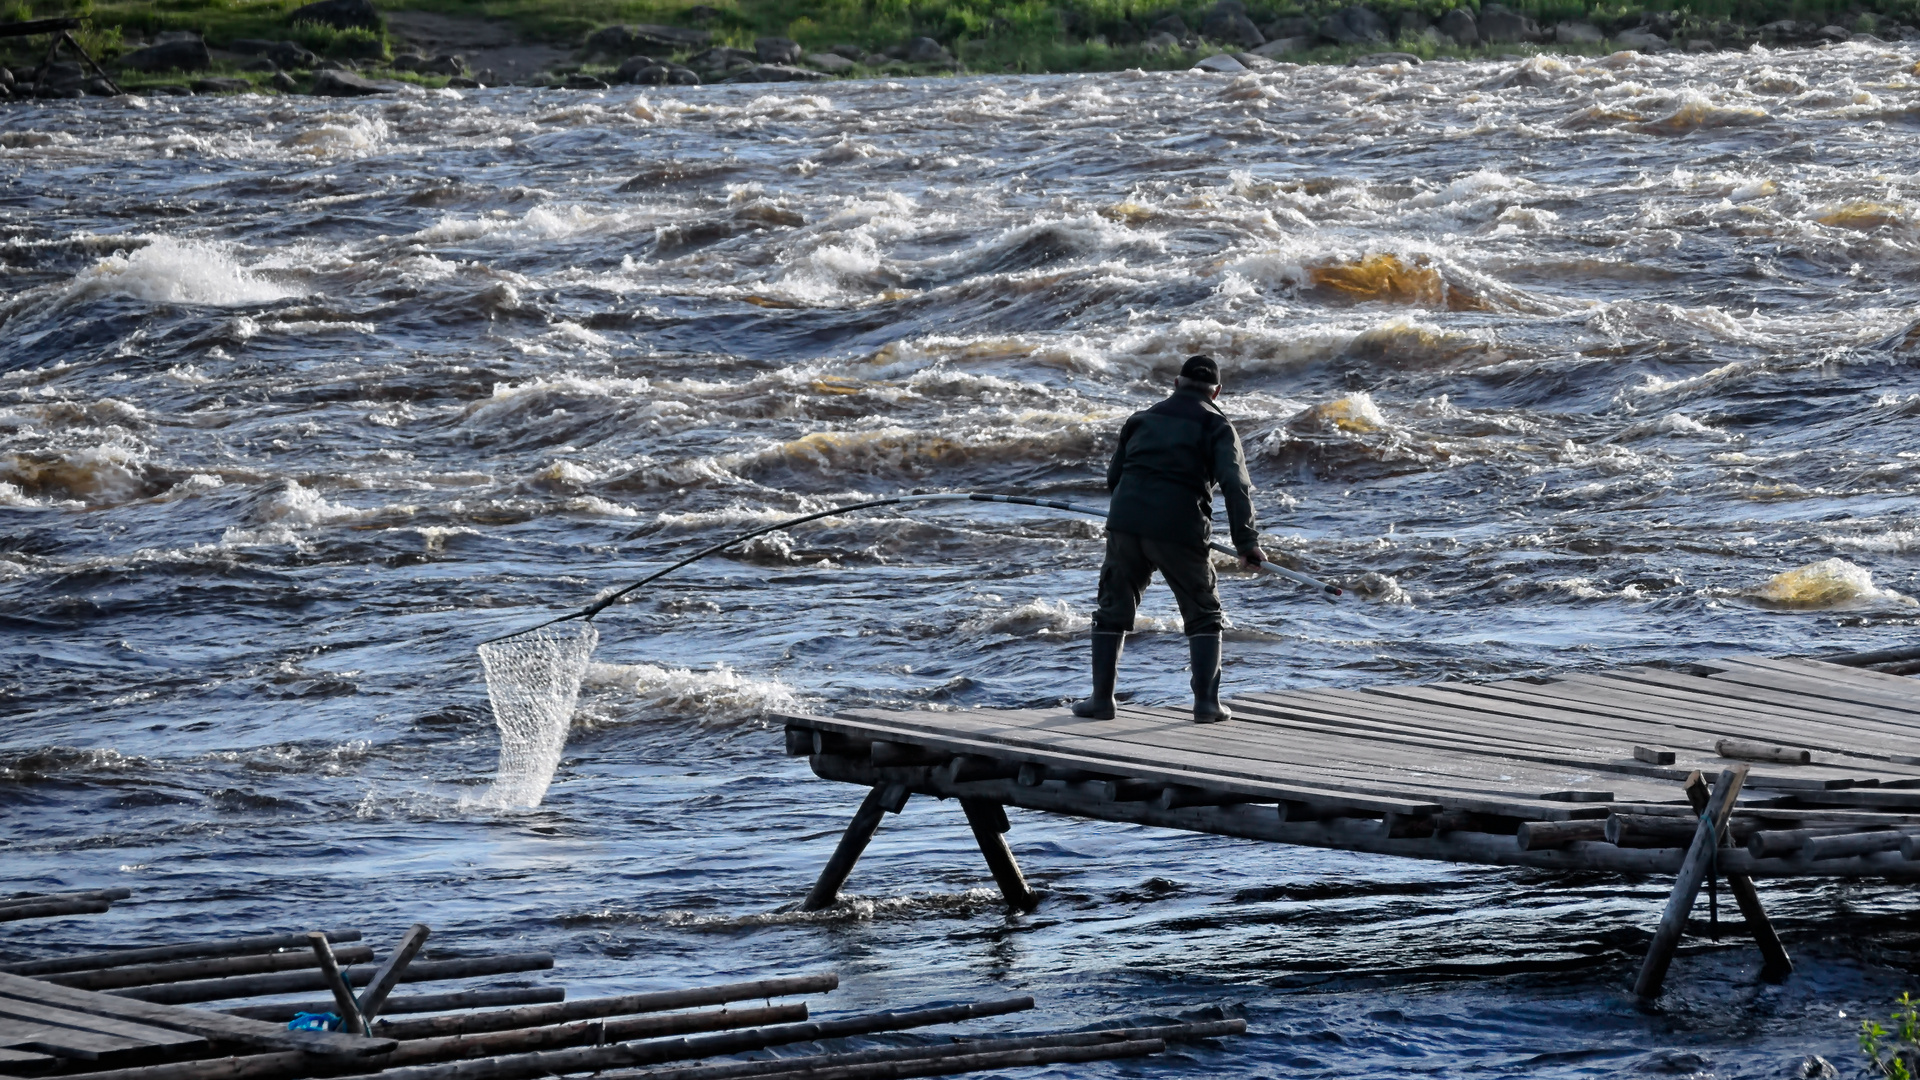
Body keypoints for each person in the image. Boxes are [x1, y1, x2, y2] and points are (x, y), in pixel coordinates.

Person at [1073, 354, 1266, 724]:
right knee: (1203, 613)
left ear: (1176, 384)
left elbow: (1115, 477)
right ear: (1217, 392)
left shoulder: (1141, 418)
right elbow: (1236, 486)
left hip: (1125, 524)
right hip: (1180, 529)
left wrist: (1130, 513)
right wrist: (1246, 543)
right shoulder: (1218, 425)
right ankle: (1207, 706)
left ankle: (1101, 701)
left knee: (1113, 608)